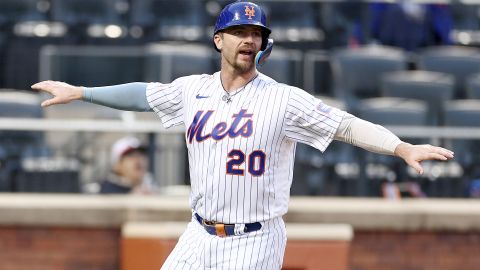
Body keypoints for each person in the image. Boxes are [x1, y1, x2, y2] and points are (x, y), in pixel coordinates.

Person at [32, 1, 454, 269]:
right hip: (198, 233)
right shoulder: (193, 89)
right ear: (219, 40)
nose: (249, 40)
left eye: (257, 34)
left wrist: (400, 146)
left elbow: (344, 125)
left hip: (254, 239)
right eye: (240, 32)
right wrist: (81, 92)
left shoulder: (284, 99)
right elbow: (143, 95)